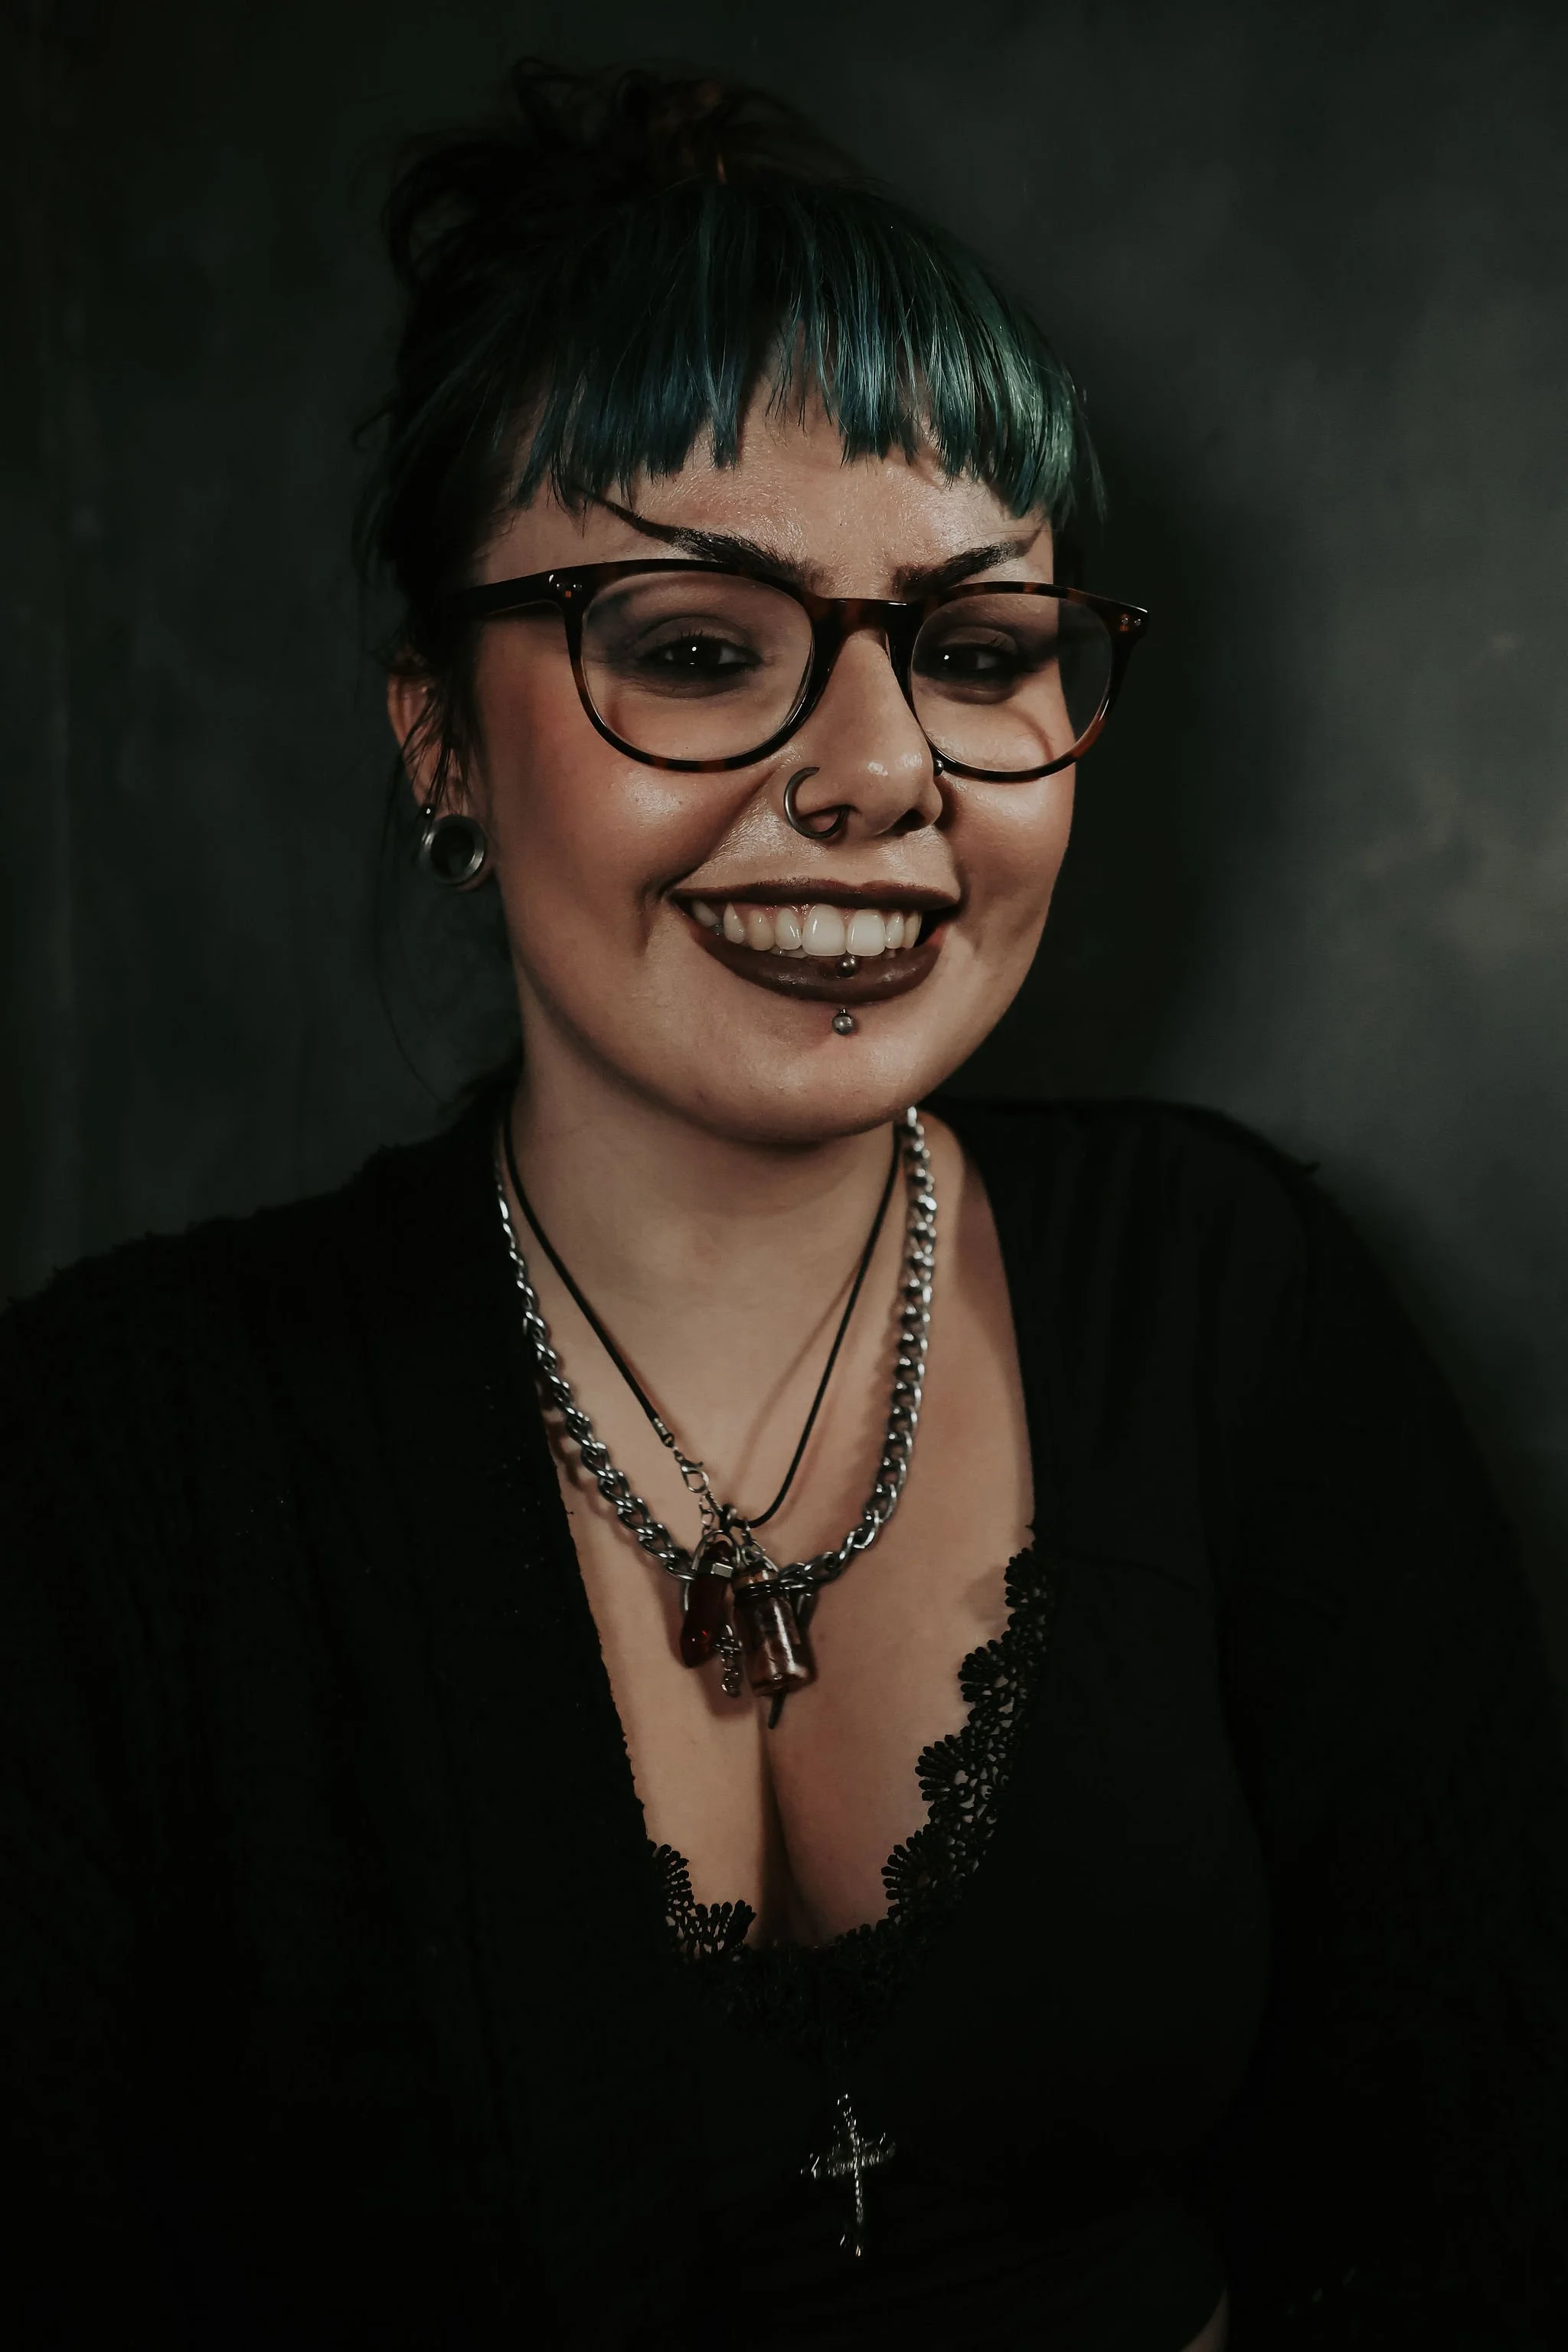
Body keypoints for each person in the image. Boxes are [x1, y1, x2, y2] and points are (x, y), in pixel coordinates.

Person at [2, 59, 1566, 2352]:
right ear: (436, 722)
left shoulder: (1238, 1308)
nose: (875, 777)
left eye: (973, 651)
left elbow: (1491, 2207)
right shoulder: (111, 1471)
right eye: (697, 649)